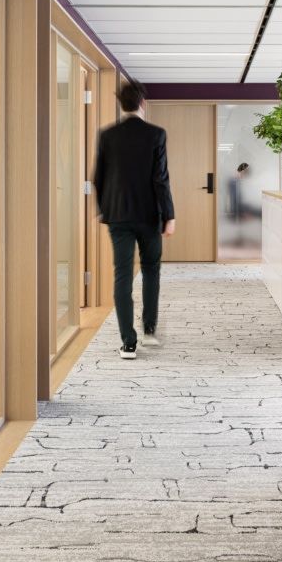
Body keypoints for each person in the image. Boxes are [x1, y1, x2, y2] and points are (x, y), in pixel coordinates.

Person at [93, 81, 175, 359]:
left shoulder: (107, 135)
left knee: (122, 275)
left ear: (121, 104)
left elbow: (99, 177)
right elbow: (160, 179)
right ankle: (149, 330)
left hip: (118, 216)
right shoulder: (156, 134)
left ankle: (128, 342)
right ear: (142, 104)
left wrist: (105, 208)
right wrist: (170, 216)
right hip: (150, 215)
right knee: (151, 269)